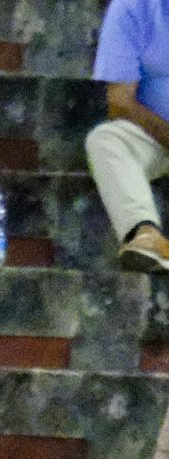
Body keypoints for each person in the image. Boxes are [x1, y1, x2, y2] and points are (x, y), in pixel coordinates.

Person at [85, 0, 169, 273]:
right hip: (155, 135)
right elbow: (120, 103)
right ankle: (146, 235)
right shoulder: (132, 8)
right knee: (105, 139)